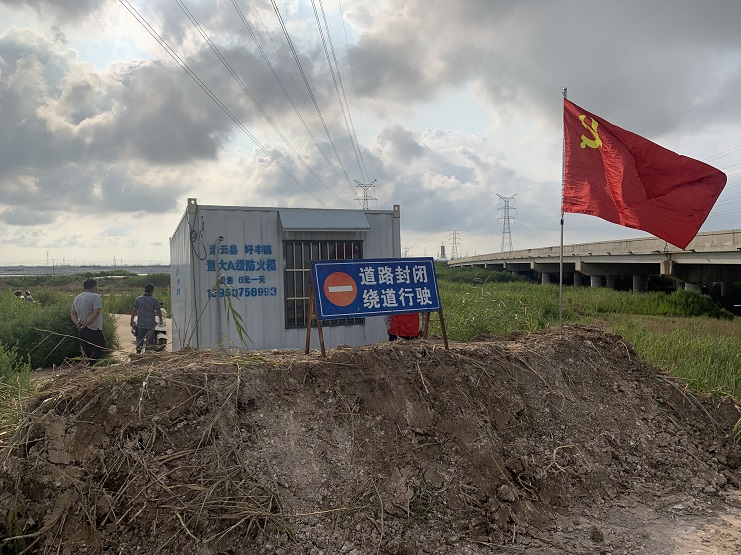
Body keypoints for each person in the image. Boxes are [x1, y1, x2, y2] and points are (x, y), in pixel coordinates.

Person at [70, 278, 106, 363]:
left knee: (87, 351)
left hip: (82, 329)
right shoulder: (95, 296)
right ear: (94, 287)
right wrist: (86, 323)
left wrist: (78, 323)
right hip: (94, 328)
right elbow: (96, 312)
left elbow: (73, 314)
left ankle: (86, 365)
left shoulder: (77, 298)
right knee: (100, 348)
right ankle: (91, 365)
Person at [130, 283, 164, 353]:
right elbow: (158, 311)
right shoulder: (154, 300)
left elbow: (134, 310)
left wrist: (132, 320)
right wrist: (161, 319)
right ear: (152, 291)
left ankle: (139, 349)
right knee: (149, 338)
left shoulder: (138, 299)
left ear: (144, 290)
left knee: (140, 337)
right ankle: (148, 350)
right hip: (150, 324)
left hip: (141, 323)